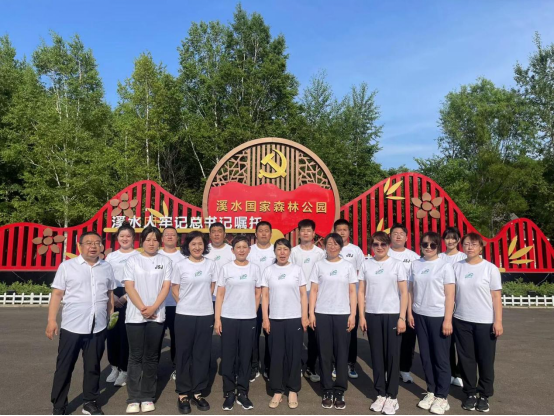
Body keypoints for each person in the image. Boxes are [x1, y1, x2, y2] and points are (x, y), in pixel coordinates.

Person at [47, 231, 116, 416]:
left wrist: (110, 314)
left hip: (98, 325)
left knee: (93, 366)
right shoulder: (67, 266)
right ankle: (59, 405)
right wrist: (51, 320)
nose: (93, 246)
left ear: (101, 246)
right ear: (80, 246)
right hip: (72, 326)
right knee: (64, 367)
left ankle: (90, 402)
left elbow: (109, 292)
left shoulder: (106, 267)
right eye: (88, 242)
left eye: (97, 242)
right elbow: (57, 294)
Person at [123, 226, 173, 414]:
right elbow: (129, 287)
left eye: (155, 239)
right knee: (135, 356)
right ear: (142, 241)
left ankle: (147, 396)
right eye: (148, 239)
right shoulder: (133, 260)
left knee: (151, 357)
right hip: (135, 316)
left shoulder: (165, 261)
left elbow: (166, 287)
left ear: (160, 241)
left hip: (156, 316)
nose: (152, 243)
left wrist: (153, 308)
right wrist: (143, 308)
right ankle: (133, 398)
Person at [359, 232, 408, 415]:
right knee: (377, 355)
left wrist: (402, 317)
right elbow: (361, 291)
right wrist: (362, 316)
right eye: (375, 244)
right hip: (372, 314)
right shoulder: (366, 264)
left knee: (392, 356)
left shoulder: (397, 264)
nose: (379, 247)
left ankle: (392, 396)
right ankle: (380, 393)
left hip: (392, 315)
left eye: (383, 244)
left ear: (388, 245)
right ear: (371, 246)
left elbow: (404, 293)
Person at [453, 233, 503, 413]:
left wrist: (498, 321)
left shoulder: (490, 268)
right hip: (461, 320)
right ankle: (470, 393)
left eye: (474, 244)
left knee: (485, 359)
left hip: (485, 322)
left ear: (481, 247)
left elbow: (496, 296)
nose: (470, 247)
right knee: (466, 360)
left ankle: (484, 395)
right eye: (467, 244)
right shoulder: (457, 267)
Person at [408, 232, 456, 415]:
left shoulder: (445, 266)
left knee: (440, 357)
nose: (428, 248)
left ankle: (442, 397)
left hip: (438, 316)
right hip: (420, 315)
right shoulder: (415, 264)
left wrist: (447, 319)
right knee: (426, 357)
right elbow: (411, 291)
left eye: (432, 245)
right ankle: (431, 391)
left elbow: (450, 295)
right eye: (425, 244)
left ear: (438, 246)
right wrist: (410, 313)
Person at [310, 233, 358, 410]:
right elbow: (313, 290)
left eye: (335, 244)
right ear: (325, 246)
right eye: (329, 243)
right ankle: (327, 389)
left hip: (342, 313)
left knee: (341, 353)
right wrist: (311, 313)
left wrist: (353, 314)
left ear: (341, 246)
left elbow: (352, 292)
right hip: (322, 313)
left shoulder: (347, 266)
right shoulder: (319, 265)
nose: (332, 246)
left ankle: (339, 390)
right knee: (324, 353)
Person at [214, 236, 261, 411]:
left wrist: (252, 311)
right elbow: (220, 295)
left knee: (245, 356)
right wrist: (218, 319)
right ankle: (229, 393)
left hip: (248, 318)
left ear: (249, 250)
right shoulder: (226, 268)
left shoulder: (255, 269)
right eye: (238, 247)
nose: (241, 250)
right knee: (228, 357)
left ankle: (242, 392)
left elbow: (258, 293)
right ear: (232, 250)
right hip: (228, 317)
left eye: (244, 247)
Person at [172, 231, 217, 414]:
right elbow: (175, 288)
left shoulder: (211, 264)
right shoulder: (180, 265)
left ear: (204, 246)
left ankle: (198, 392)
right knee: (183, 353)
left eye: (200, 244)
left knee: (202, 353)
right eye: (193, 244)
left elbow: (212, 286)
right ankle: (183, 393)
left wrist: (202, 301)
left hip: (205, 314)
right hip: (184, 315)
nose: (197, 247)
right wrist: (184, 303)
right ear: (187, 246)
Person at [262, 239, 309, 409]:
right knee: (276, 354)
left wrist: (304, 316)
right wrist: (265, 318)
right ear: (274, 252)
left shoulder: (297, 270)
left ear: (290, 252)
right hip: (275, 318)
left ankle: (293, 389)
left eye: (285, 249)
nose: (282, 252)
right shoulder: (268, 270)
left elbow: (303, 295)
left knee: (294, 354)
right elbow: (265, 296)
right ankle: (277, 389)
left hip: (294, 318)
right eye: (279, 249)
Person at [290, 219, 325, 383]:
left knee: (313, 335)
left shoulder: (320, 253)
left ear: (314, 233)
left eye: (308, 230)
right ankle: (295, 365)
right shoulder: (293, 252)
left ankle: (311, 366)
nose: (305, 233)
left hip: (315, 299)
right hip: (296, 298)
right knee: (295, 335)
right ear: (298, 233)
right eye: (302, 230)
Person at [105, 223, 137, 388]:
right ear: (117, 238)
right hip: (112, 294)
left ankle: (124, 369)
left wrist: (125, 297)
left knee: (125, 334)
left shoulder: (138, 256)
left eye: (128, 236)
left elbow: (139, 280)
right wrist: (113, 296)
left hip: (131, 295)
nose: (125, 239)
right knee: (112, 332)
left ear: (133, 238)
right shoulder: (111, 256)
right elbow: (106, 277)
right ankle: (114, 367)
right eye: (122, 236)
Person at [388, 223, 421, 384]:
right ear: (390, 236)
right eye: (395, 233)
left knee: (408, 338)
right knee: (390, 339)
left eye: (401, 233)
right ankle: (389, 369)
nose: (398, 236)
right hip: (388, 303)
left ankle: (405, 369)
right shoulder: (384, 253)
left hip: (408, 303)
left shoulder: (414, 257)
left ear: (407, 237)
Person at [334, 219, 365, 380]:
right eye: (339, 229)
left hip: (352, 299)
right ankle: (335, 363)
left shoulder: (356, 250)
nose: (342, 232)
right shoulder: (330, 249)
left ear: (349, 232)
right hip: (335, 299)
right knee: (335, 334)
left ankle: (350, 363)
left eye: (344, 229)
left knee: (351, 333)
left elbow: (361, 273)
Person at [439, 227, 467, 388]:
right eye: (447, 238)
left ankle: (460, 373)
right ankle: (449, 372)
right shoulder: (439, 257)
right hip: (443, 305)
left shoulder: (464, 257)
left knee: (462, 343)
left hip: (461, 304)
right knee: (446, 342)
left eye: (453, 238)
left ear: (458, 240)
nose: (450, 241)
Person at [247, 221, 276, 381]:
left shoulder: (276, 251)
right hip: (253, 300)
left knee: (271, 334)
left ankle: (269, 366)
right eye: (260, 231)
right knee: (253, 334)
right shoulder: (249, 251)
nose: (264, 233)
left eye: (266, 230)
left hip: (273, 301)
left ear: (271, 233)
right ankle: (253, 365)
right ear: (256, 233)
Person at [158, 226, 186, 381]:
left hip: (177, 304)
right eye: (166, 234)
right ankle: (153, 369)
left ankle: (177, 367)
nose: (169, 237)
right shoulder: (156, 255)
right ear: (162, 238)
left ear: (177, 238)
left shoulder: (184, 255)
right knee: (156, 338)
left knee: (178, 338)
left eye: (173, 235)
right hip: (159, 305)